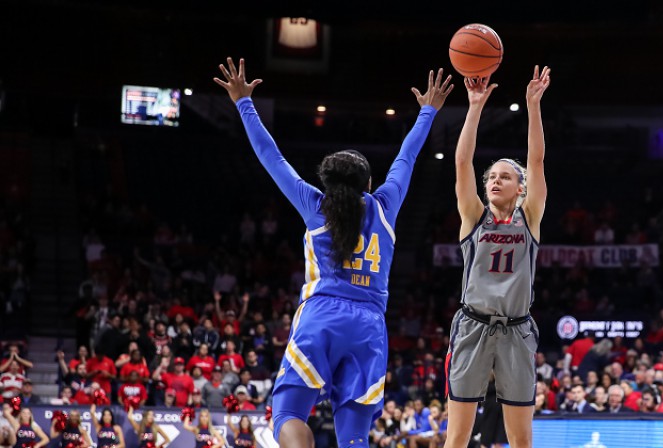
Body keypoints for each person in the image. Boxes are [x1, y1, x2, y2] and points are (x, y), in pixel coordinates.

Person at [213, 56, 453, 448]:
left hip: (322, 315)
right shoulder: (385, 204)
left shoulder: (315, 206)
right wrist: (428, 110)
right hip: (370, 325)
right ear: (368, 181)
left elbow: (271, 156)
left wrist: (244, 102)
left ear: (327, 181)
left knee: (288, 416)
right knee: (354, 437)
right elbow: (406, 157)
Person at [443, 65, 551, 448]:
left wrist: (532, 106)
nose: (494, 181)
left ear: (521, 189)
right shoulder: (474, 216)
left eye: (504, 177)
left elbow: (536, 161)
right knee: (456, 436)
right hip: (472, 326)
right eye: (491, 177)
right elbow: (461, 164)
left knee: (521, 438)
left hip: (517, 330)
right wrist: (474, 107)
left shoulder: (530, 216)